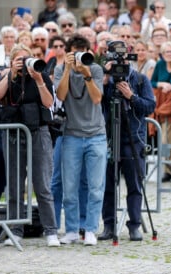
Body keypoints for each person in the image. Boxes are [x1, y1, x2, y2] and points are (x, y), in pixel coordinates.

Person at [0, 44, 60, 247]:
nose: (24, 64)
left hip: (38, 133)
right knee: (14, 185)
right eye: (19, 60)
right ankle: (16, 230)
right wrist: (11, 73)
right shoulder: (9, 76)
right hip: (13, 134)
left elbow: (49, 103)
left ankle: (51, 231)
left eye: (26, 59)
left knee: (42, 184)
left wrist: (39, 79)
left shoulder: (40, 75)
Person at [98, 41, 156, 242]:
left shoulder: (139, 79)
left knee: (134, 184)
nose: (119, 62)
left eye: (122, 57)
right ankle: (108, 224)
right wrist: (104, 80)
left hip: (134, 139)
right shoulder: (105, 79)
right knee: (108, 186)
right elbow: (98, 103)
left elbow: (150, 106)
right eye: (115, 57)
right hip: (110, 138)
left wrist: (131, 96)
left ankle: (134, 226)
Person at [54, 34, 107, 246]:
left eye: (82, 52)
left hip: (96, 135)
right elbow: (61, 95)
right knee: (70, 186)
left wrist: (86, 75)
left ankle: (91, 229)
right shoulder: (60, 70)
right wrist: (67, 69)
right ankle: (72, 230)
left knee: (95, 186)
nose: (78, 57)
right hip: (72, 135)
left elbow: (96, 98)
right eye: (74, 52)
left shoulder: (95, 69)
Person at [151, 41, 171, 182]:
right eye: (166, 52)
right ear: (162, 54)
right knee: (164, 140)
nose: (169, 54)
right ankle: (167, 169)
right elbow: (151, 82)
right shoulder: (159, 65)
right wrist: (160, 84)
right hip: (164, 108)